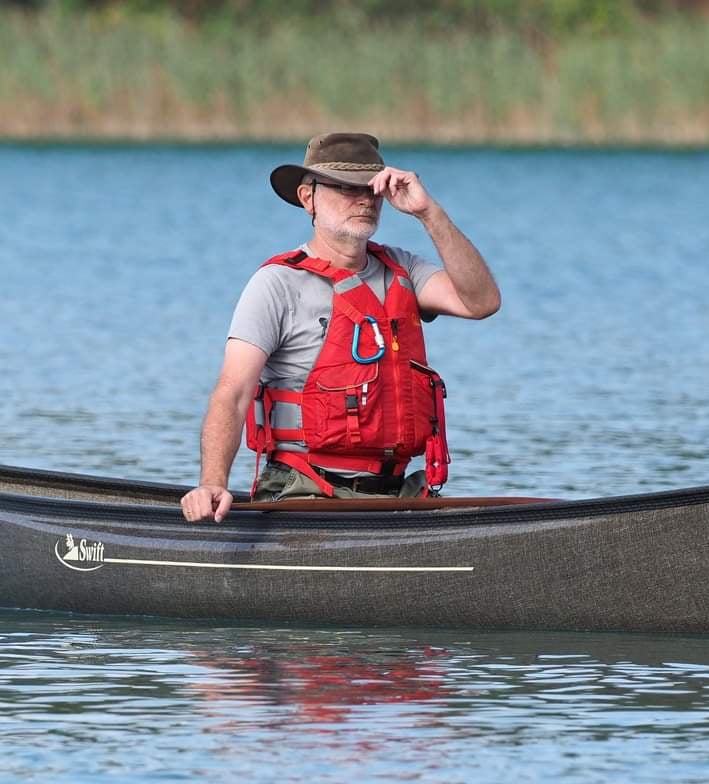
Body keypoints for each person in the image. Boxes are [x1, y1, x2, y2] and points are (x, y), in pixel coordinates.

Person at [180, 133, 500, 523]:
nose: (365, 199)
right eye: (347, 188)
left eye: (372, 189)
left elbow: (481, 302)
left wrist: (428, 213)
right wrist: (213, 483)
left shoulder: (405, 270)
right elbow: (232, 392)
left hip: (397, 493)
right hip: (305, 490)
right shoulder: (276, 284)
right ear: (308, 197)